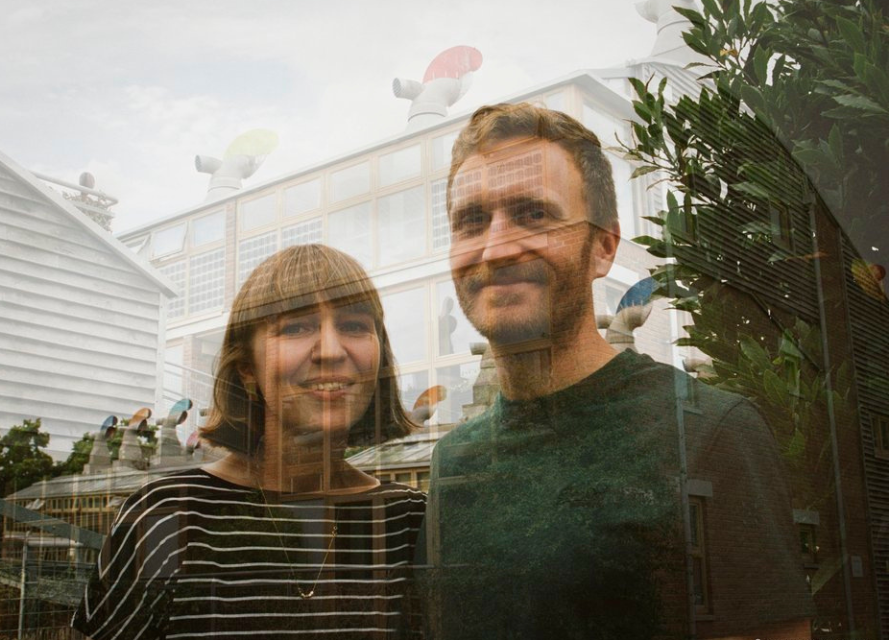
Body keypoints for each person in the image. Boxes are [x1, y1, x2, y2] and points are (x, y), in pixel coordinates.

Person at [421, 103, 814, 640]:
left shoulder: (710, 432)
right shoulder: (453, 460)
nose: (496, 248)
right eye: (471, 221)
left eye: (534, 214)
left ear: (603, 248)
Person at [74, 244, 425, 640]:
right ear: (247, 370)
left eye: (355, 325)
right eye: (296, 327)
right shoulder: (167, 514)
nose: (330, 350)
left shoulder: (412, 519)